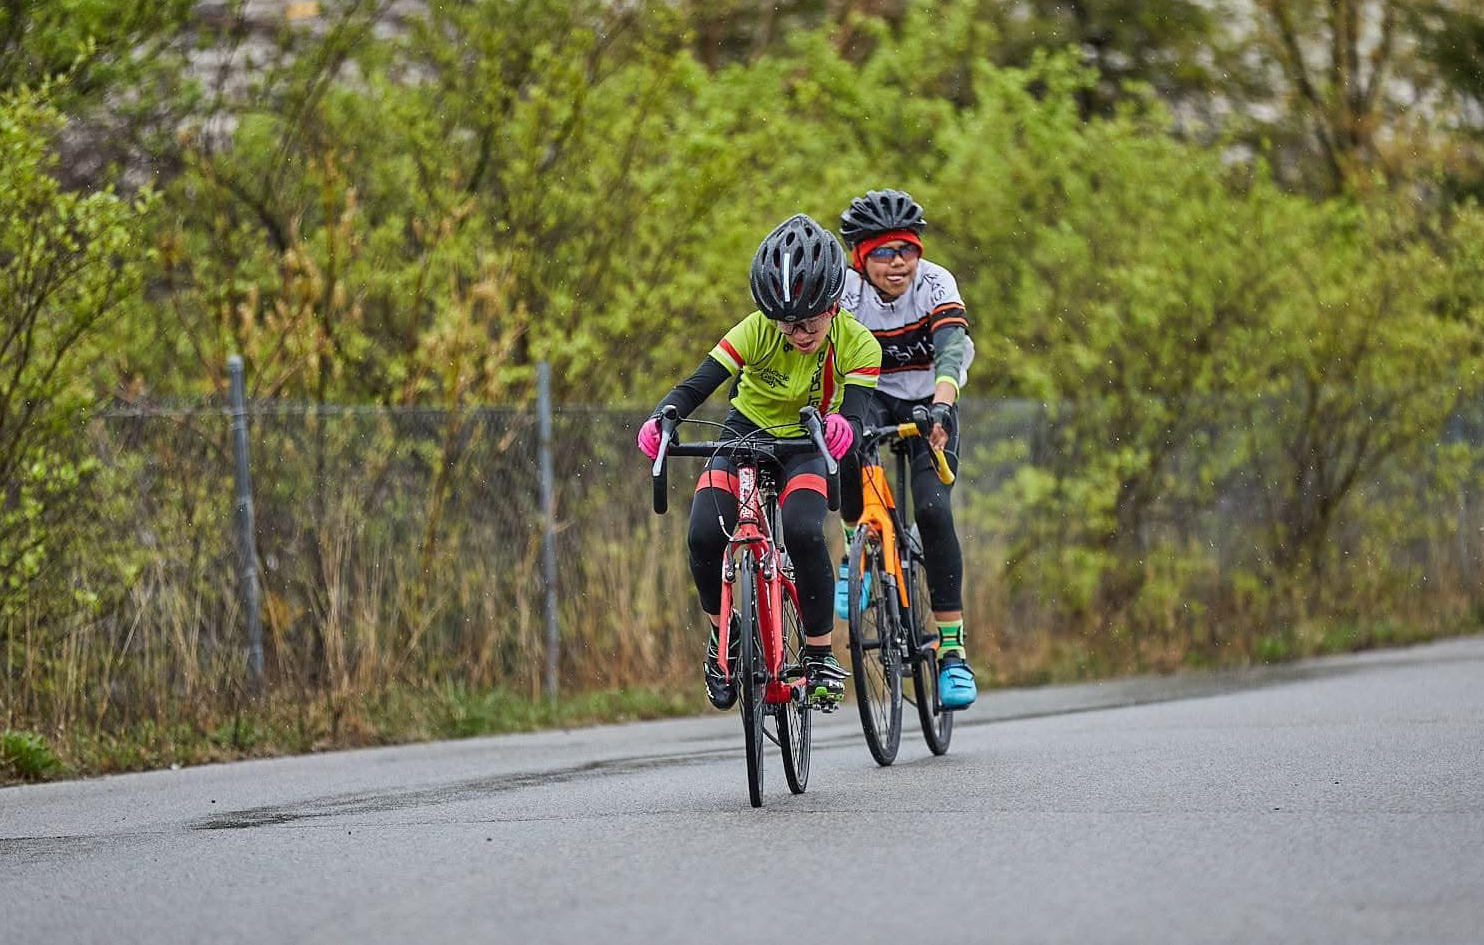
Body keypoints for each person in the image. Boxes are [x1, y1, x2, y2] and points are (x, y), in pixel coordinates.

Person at [636, 213, 883, 711]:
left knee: (803, 530)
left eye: (810, 321)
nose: (799, 333)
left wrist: (846, 429)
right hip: (746, 429)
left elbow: (857, 415)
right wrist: (664, 416)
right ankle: (722, 636)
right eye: (787, 323)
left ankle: (819, 653)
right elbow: (697, 385)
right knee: (703, 532)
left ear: (834, 305)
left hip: (809, 439)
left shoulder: (859, 343)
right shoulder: (756, 330)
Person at [835, 188, 978, 709]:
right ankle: (855, 546)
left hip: (929, 400)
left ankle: (952, 652)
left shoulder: (936, 283)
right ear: (860, 257)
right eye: (884, 252)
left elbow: (951, 349)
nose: (898, 263)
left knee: (935, 512)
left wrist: (942, 406)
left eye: (907, 250)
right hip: (872, 397)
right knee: (845, 440)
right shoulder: (845, 293)